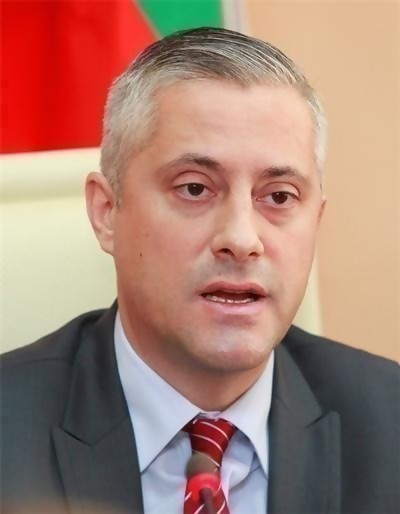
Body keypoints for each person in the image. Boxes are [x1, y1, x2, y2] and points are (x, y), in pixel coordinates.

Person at [1, 27, 398, 514]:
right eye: (194, 189)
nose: (242, 239)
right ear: (107, 212)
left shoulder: (390, 425)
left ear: (315, 222)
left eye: (278, 196)